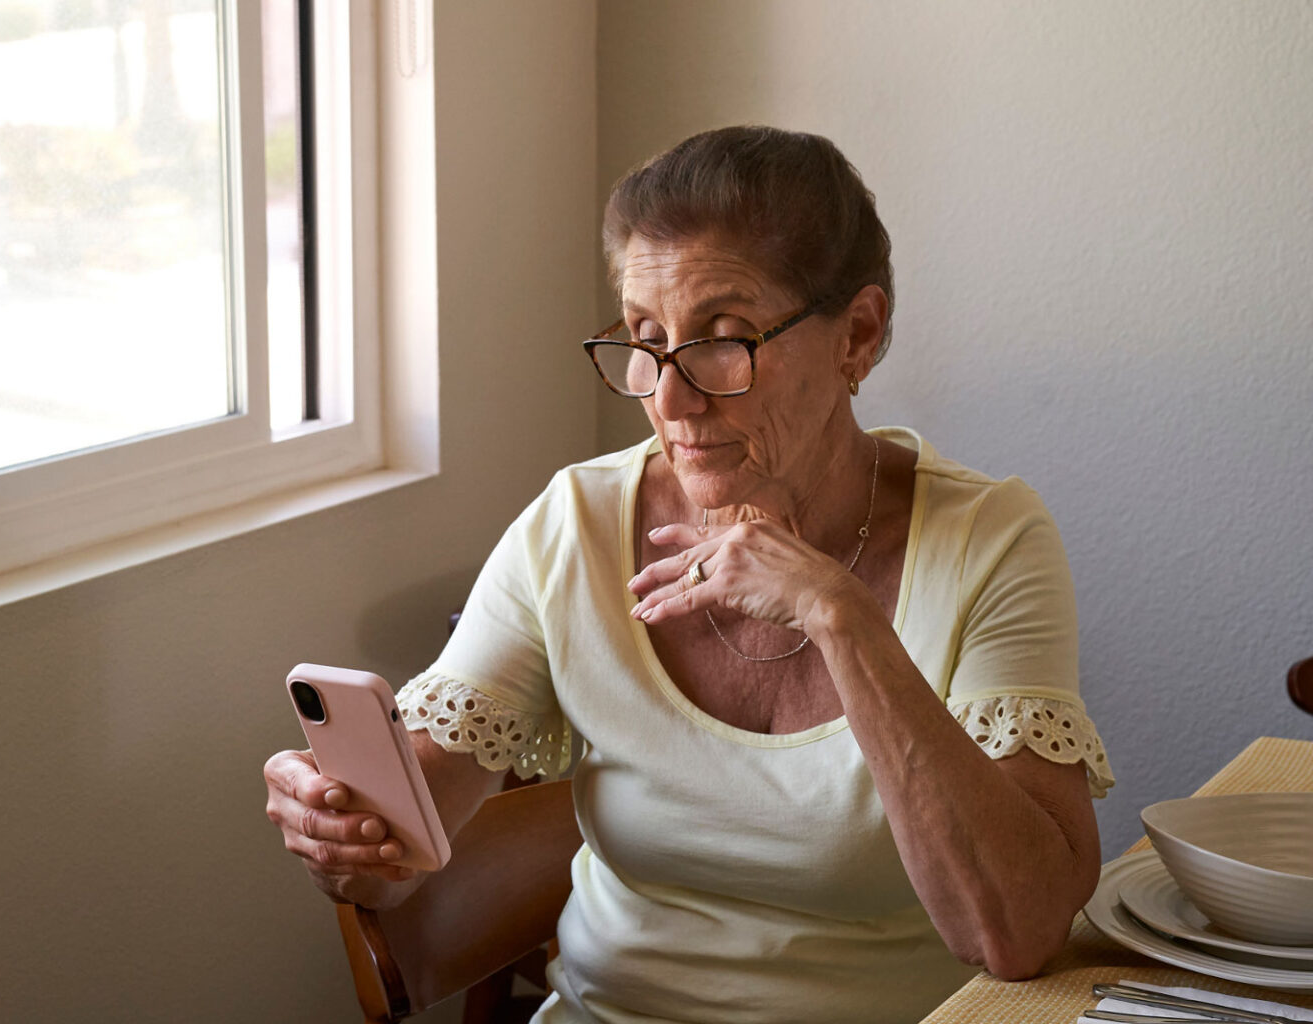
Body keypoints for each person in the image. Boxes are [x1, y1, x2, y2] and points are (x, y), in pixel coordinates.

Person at [263, 125, 1114, 1024]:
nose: (668, 398)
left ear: (857, 337)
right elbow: (397, 862)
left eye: (724, 339)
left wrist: (840, 614)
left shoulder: (990, 540)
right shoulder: (575, 525)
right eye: (645, 337)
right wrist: (346, 836)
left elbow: (1014, 934)